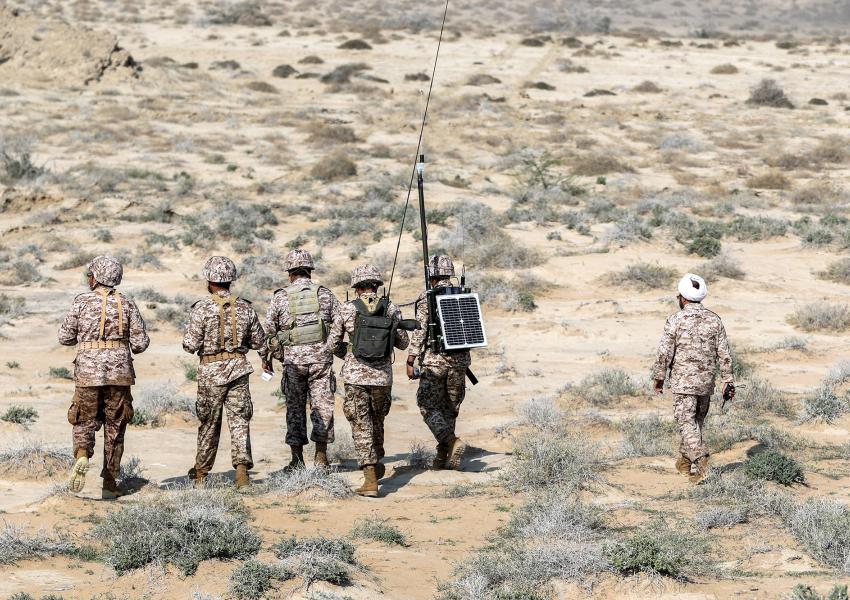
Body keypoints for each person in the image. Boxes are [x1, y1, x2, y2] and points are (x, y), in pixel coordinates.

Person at [58, 255, 150, 499]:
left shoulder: (81, 302)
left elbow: (65, 337)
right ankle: (110, 482)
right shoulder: (127, 304)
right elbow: (140, 344)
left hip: (87, 373)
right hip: (119, 375)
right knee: (116, 426)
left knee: (83, 420)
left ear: (95, 277)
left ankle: (81, 455)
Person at [183, 256, 266, 488]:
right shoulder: (245, 307)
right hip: (239, 369)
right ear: (231, 279)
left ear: (210, 280)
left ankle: (201, 475)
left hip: (211, 372)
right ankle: (242, 475)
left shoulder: (202, 308)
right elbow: (260, 342)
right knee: (240, 421)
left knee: (209, 423)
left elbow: (189, 344)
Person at [330, 264, 410, 497]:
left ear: (356, 288)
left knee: (360, 425)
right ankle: (377, 462)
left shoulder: (347, 310)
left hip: (355, 376)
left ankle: (370, 479)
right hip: (383, 378)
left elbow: (333, 343)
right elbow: (403, 342)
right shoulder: (391, 308)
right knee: (377, 421)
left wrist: (351, 353)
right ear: (376, 285)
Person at [262, 249, 342, 470]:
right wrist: (330, 347)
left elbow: (268, 331)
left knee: (295, 409)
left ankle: (297, 460)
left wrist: (277, 356)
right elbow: (341, 323)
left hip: (293, 362)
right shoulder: (324, 294)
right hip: (321, 362)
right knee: (323, 407)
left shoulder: (281, 296)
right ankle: (321, 458)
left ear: (290, 273)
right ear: (309, 270)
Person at [652, 273, 735, 484]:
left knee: (685, 421)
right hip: (707, 383)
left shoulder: (676, 320)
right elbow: (724, 353)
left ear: (682, 297)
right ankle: (684, 463)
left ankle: (701, 459)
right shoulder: (715, 320)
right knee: (696, 421)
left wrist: (659, 377)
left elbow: (664, 353)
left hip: (683, 383)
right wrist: (728, 380)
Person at [406, 255, 470, 470]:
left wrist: (411, 358)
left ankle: (451, 442)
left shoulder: (428, 297)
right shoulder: (463, 293)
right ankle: (443, 457)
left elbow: (420, 331)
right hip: (460, 362)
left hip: (435, 362)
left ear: (431, 275)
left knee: (427, 405)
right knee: (450, 408)